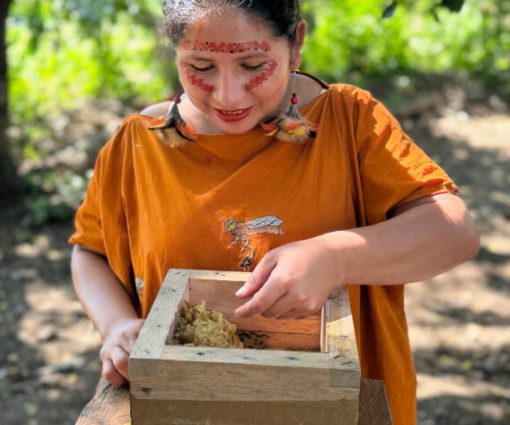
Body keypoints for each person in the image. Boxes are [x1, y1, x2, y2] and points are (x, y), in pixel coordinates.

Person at [68, 1, 480, 424]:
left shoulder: (350, 123)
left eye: (253, 65)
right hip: (181, 406)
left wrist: (335, 258)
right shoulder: (140, 144)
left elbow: (454, 231)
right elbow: (90, 252)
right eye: (201, 67)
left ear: (295, 43)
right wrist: (116, 325)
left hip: (331, 409)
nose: (228, 95)